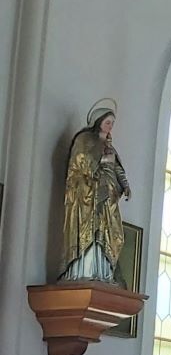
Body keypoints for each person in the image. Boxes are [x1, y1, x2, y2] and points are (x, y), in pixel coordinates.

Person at [58, 101, 130, 283]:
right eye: (108, 122)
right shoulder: (84, 140)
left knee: (110, 233)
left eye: (112, 123)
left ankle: (103, 272)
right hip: (88, 197)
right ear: (99, 121)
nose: (110, 126)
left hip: (107, 196)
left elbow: (117, 168)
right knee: (90, 231)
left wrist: (125, 185)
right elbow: (80, 161)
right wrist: (99, 167)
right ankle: (85, 269)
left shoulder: (110, 147)